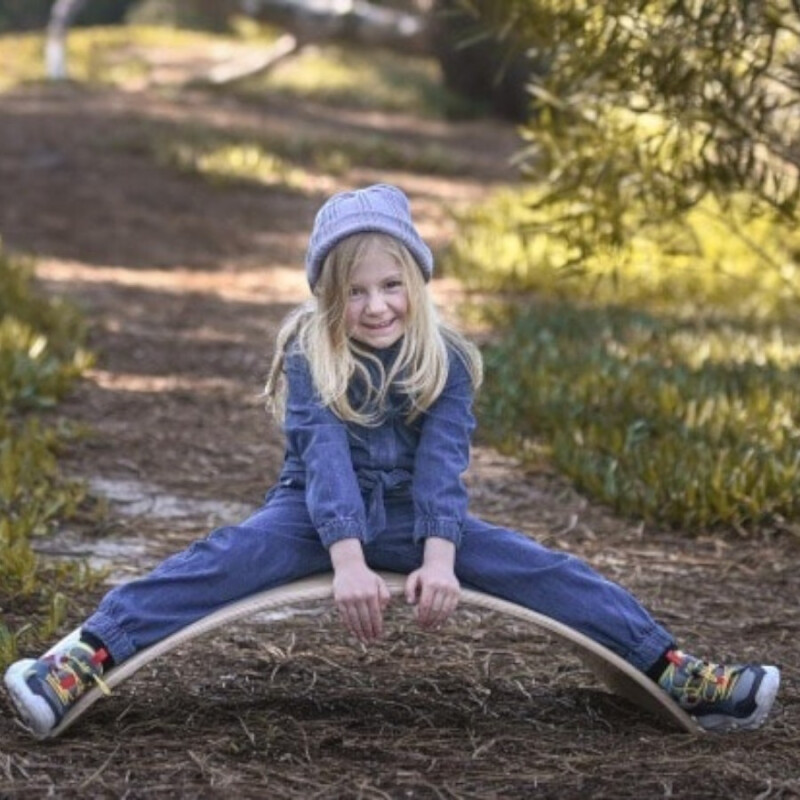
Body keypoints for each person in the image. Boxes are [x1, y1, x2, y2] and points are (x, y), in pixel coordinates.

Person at [5, 184, 780, 738]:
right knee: (215, 562)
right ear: (325, 301)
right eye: (354, 293)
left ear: (415, 283)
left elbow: (444, 468)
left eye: (390, 286)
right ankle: (79, 657)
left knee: (551, 573)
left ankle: (677, 668)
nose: (375, 307)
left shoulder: (447, 361)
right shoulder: (311, 357)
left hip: (418, 519)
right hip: (310, 517)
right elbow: (326, 463)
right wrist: (346, 560)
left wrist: (441, 557)